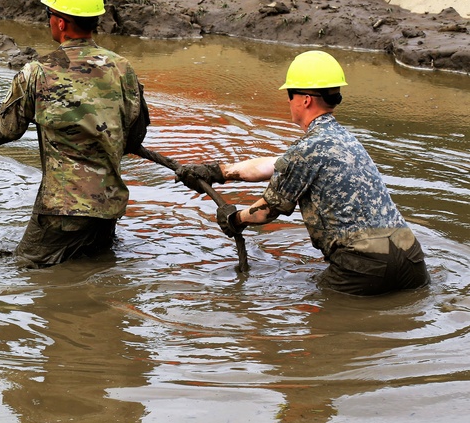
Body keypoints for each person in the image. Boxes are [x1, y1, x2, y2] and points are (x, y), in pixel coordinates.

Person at [176, 50, 430, 296]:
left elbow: (266, 211)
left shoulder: (307, 149)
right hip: (412, 260)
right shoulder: (344, 140)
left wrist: (235, 220)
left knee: (316, 320)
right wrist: (218, 172)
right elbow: (274, 164)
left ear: (305, 99)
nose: (288, 101)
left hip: (365, 268)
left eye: (289, 94)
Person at [0, 0, 150, 267]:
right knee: (94, 270)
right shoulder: (123, 68)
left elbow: (3, 131)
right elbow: (134, 136)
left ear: (60, 21)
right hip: (108, 206)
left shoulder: (38, 72)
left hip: (62, 210)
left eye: (48, 13)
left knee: (23, 269)